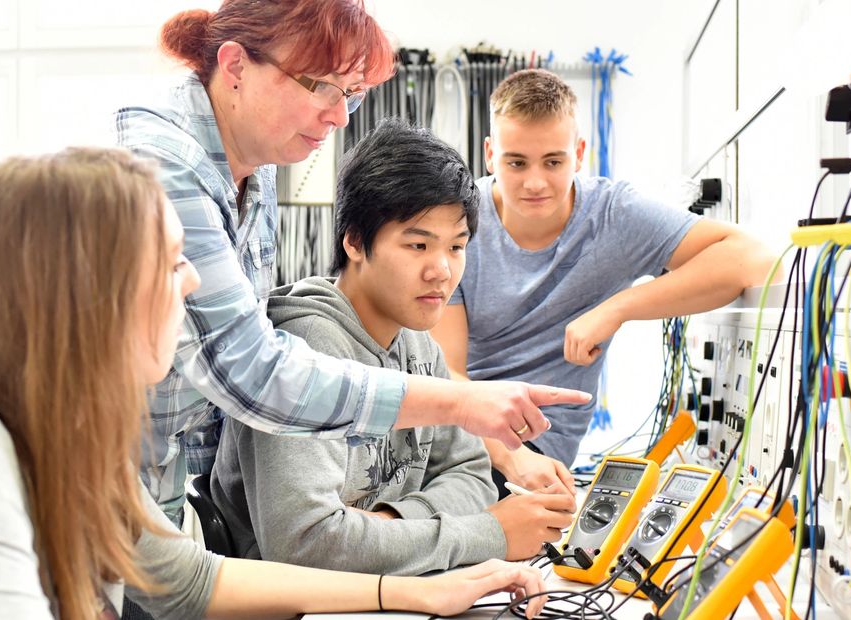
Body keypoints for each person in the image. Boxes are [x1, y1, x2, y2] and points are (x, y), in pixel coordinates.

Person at [0, 147, 548, 620]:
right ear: (86, 289)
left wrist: (413, 590)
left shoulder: (72, 442)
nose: (193, 280)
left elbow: (194, 579)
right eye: (171, 263)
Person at [115, 0, 587, 525]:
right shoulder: (165, 167)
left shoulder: (259, 163)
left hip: (165, 492)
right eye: (319, 86)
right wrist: (458, 404)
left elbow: (468, 475)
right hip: (100, 484)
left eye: (352, 96)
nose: (339, 116)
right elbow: (251, 374)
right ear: (234, 67)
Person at [210, 121, 575, 574]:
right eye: (418, 244)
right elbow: (305, 545)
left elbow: (474, 476)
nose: (442, 271)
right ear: (355, 242)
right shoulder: (305, 349)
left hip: (395, 591)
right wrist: (490, 534)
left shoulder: (420, 342)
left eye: (457, 247)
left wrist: (386, 524)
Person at [431, 69, 774, 496]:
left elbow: (751, 257)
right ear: (489, 154)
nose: (534, 181)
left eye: (553, 162)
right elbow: (446, 375)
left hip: (537, 450)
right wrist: (509, 456)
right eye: (516, 162)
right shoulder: (460, 223)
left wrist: (618, 308)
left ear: (579, 153)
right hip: (465, 432)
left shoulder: (614, 215)